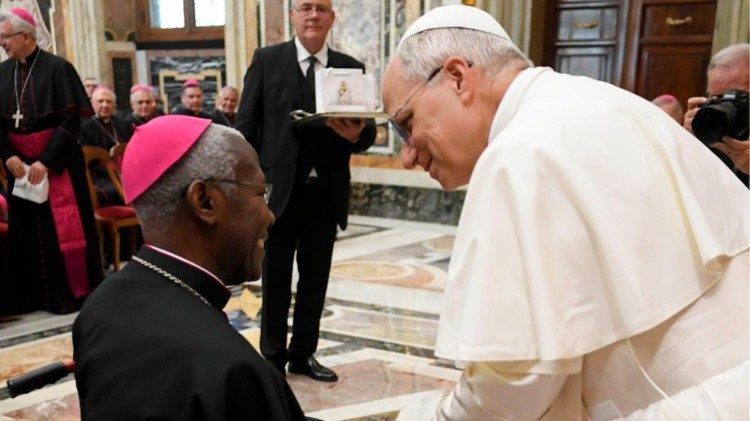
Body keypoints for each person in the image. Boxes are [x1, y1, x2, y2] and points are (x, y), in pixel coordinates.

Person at [382, 5, 749, 420]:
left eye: (405, 124)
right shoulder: (598, 101)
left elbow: (513, 388)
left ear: (457, 77)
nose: (407, 155)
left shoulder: (521, 151)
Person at [73, 115, 307, 420]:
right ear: (205, 201)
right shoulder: (233, 371)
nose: (270, 215)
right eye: (260, 194)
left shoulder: (98, 308)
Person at [235, 0, 375, 382]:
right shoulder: (267, 61)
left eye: (321, 8)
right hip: (278, 194)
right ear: (293, 16)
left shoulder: (350, 68)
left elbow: (368, 132)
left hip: (324, 194)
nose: (314, 15)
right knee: (275, 280)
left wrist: (357, 135)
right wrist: (248, 189)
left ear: (332, 18)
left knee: (315, 280)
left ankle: (303, 355)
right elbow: (246, 128)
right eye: (305, 7)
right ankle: (272, 358)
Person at [0, 8, 102, 315]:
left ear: (25, 36)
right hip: (19, 168)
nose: (2, 43)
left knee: (61, 231)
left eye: (5, 37)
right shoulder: (2, 73)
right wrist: (8, 155)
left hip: (57, 166)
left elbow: (72, 121)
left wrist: (46, 161)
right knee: (26, 232)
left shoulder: (59, 68)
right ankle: (32, 297)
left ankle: (68, 294)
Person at [683, 43, 749, 186]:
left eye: (738, 97)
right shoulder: (713, 129)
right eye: (717, 98)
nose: (726, 107)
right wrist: (688, 143)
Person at [79, 86, 131, 207]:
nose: (105, 105)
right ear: (92, 104)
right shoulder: (84, 128)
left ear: (114, 105)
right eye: (100, 101)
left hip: (126, 172)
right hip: (99, 176)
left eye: (109, 101)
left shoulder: (124, 124)